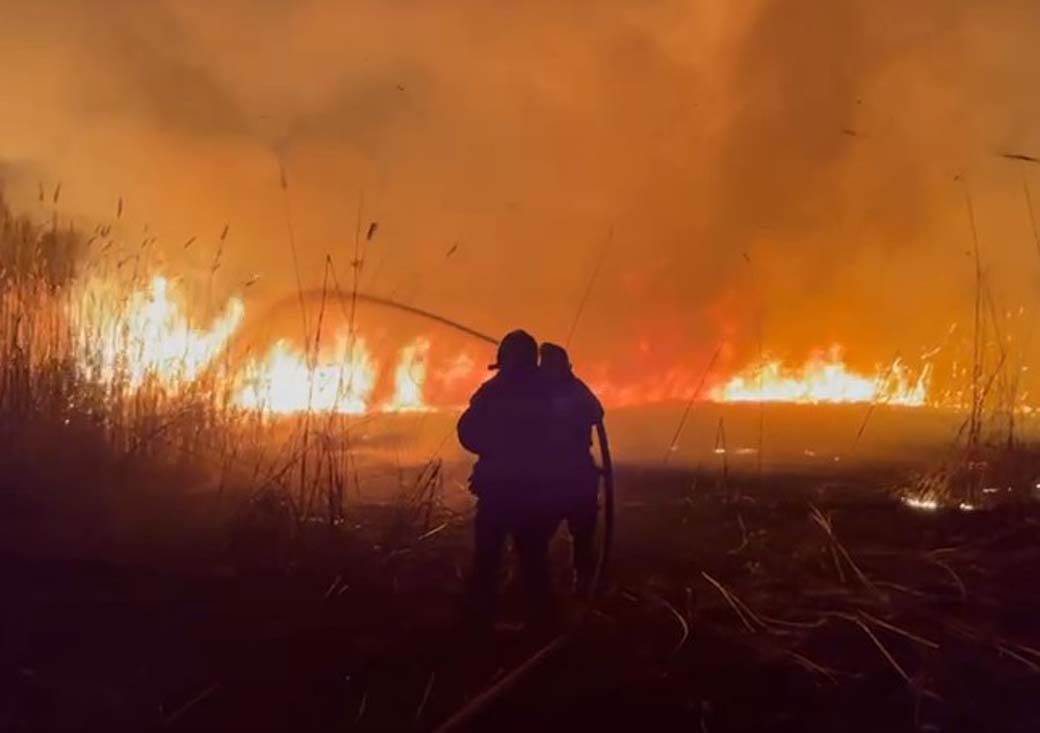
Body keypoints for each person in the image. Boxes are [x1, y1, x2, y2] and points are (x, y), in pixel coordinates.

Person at [457, 329, 559, 631]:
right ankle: (542, 623)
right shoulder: (548, 393)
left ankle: (478, 624)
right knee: (534, 560)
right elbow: (562, 435)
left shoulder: (492, 392)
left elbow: (467, 432)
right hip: (534, 492)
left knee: (487, 559)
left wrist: (492, 447)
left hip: (497, 492)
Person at [538, 342, 605, 597]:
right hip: (551, 475)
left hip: (574, 474)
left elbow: (597, 412)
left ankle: (583, 583)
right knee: (537, 535)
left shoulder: (574, 390)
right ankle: (537, 585)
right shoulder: (538, 391)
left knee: (583, 534)